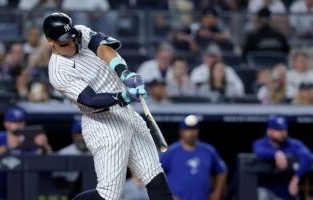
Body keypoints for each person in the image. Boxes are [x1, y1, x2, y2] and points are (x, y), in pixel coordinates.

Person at [43, 12, 173, 200]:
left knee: (155, 176)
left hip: (127, 114)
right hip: (103, 124)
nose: (71, 44)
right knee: (108, 195)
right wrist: (124, 95)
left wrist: (124, 74)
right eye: (64, 42)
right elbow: (91, 100)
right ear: (50, 41)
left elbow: (104, 48)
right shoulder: (57, 72)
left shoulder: (79, 32)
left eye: (71, 38)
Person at [0, 107, 52, 200]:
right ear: (6, 124)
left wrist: (43, 145)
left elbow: (43, 154)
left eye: (20, 122)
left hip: (22, 188)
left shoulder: (29, 137)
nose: (18, 125)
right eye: (14, 122)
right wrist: (9, 146)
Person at [160, 115, 228, 200]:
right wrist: (167, 195)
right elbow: (157, 174)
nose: (191, 133)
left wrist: (217, 192)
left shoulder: (208, 150)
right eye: (187, 129)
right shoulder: (171, 151)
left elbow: (222, 171)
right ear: (181, 132)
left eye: (194, 129)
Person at [252, 115, 312, 200]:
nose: (283, 133)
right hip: (269, 193)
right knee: (261, 193)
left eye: (284, 129)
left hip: (287, 193)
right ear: (269, 131)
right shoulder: (261, 144)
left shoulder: (293, 144)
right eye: (279, 130)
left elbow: (307, 156)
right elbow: (258, 151)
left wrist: (296, 178)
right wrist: (275, 154)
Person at [53, 120, 90, 198]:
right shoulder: (64, 153)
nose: (83, 136)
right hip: (70, 193)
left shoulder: (101, 151)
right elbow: (57, 180)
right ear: (73, 135)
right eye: (80, 133)